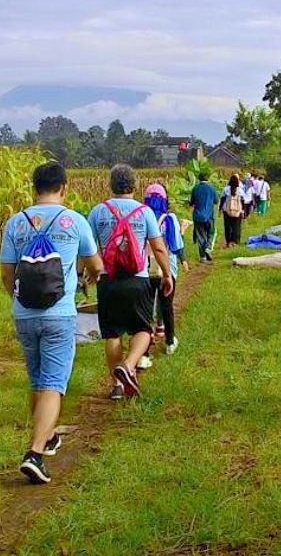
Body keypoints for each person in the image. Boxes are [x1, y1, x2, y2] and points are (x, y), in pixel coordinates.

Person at [0, 162, 103, 485]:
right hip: (60, 314)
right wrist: (87, 278)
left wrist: (17, 298)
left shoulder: (16, 223)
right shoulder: (75, 221)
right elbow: (96, 264)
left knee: (37, 379)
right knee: (54, 384)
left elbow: (6, 273)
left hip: (24, 314)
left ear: (34, 188)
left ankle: (46, 437)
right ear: (65, 187)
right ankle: (34, 453)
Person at [87, 164, 175, 400]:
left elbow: (87, 249)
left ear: (111, 185)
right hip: (138, 280)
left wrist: (86, 274)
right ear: (134, 185)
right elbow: (158, 246)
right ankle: (128, 365)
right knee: (143, 329)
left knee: (112, 333)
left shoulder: (98, 211)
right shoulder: (144, 212)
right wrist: (167, 274)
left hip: (108, 279)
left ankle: (117, 385)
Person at [143, 183, 184, 357]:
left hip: (145, 270)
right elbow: (176, 245)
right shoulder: (170, 218)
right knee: (167, 306)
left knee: (145, 309)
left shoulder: (141, 216)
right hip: (167, 269)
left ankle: (144, 351)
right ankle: (169, 342)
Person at [189, 170, 217, 262]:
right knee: (211, 233)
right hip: (209, 215)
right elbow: (216, 201)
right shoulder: (212, 188)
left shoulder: (195, 188)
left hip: (197, 215)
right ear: (208, 178)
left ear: (199, 179)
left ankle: (203, 257)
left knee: (201, 236)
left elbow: (191, 202)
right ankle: (208, 247)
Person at [221, 173, 245, 247]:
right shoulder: (240, 190)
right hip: (238, 211)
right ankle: (235, 241)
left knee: (227, 226)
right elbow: (244, 201)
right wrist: (243, 210)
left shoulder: (226, 189)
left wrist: (220, 209)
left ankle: (228, 241)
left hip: (227, 210)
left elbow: (222, 199)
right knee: (237, 226)